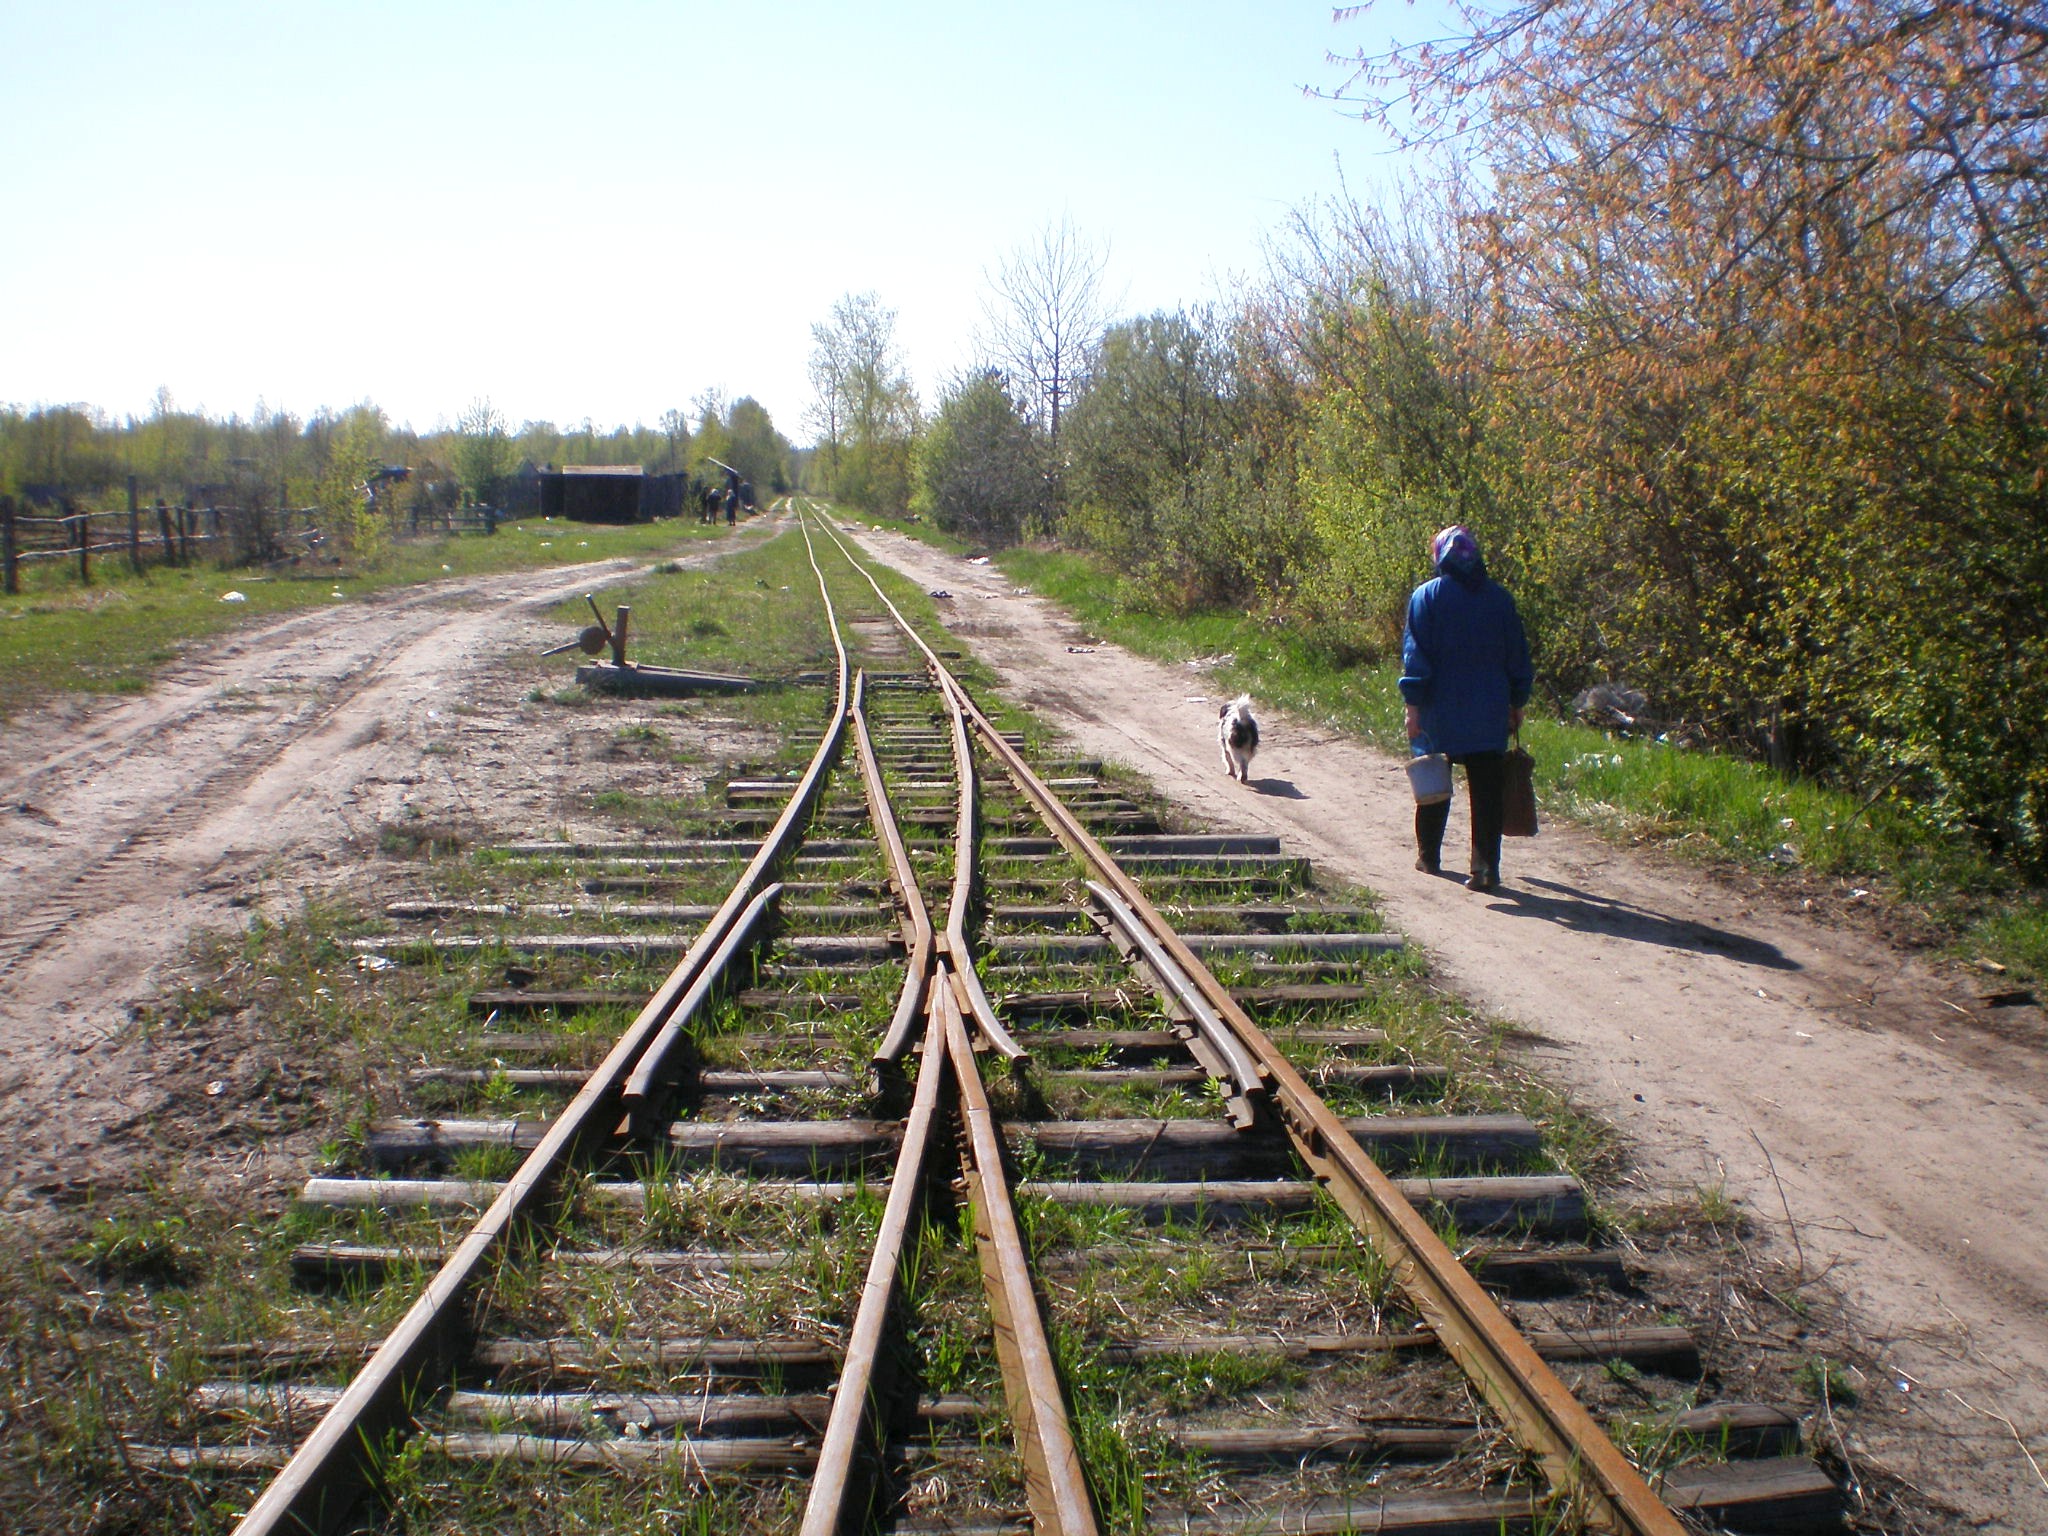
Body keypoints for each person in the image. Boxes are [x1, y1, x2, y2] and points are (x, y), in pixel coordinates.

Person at [1399, 524, 1534, 892]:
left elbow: (1416, 658)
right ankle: (1485, 867)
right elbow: (1517, 656)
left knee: (1434, 780)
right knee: (1487, 791)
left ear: (1440, 556)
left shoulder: (1425, 598)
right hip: (1489, 710)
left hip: (1438, 710)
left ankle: (1429, 856)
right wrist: (1516, 701)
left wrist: (1413, 707)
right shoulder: (1500, 600)